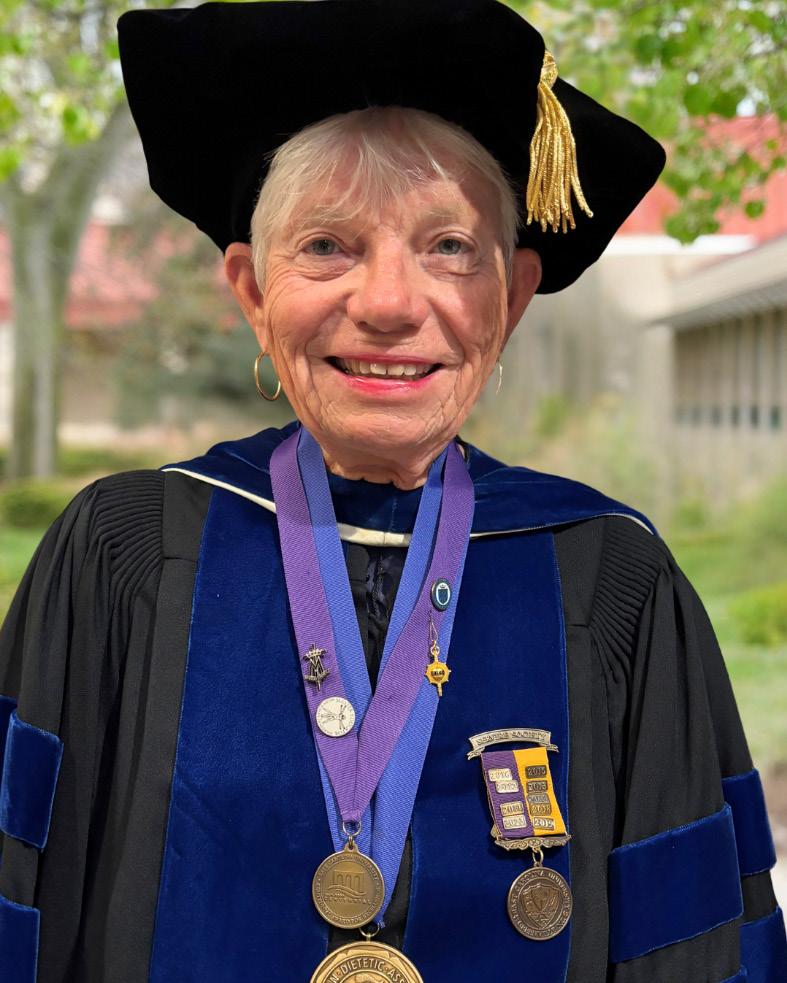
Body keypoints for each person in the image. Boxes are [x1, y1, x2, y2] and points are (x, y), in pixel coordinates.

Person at [0, 1, 784, 981]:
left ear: (509, 298)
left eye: (449, 246)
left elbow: (699, 944)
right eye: (327, 245)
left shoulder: (611, 578)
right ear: (252, 292)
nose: (386, 303)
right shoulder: (123, 555)